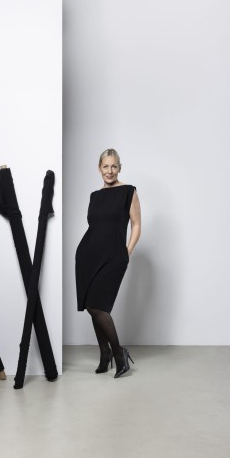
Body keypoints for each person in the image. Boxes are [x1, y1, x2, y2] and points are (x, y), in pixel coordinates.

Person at [75, 148, 141, 378]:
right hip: (88, 256)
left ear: (119, 168)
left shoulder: (128, 191)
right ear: (99, 168)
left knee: (99, 307)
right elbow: (95, 228)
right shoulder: (94, 196)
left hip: (114, 257)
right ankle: (105, 354)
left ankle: (119, 354)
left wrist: (126, 252)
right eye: (105, 166)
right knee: (93, 307)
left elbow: (136, 225)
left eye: (114, 166)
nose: (109, 171)